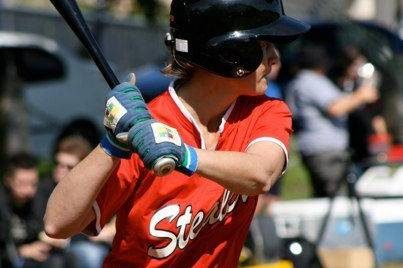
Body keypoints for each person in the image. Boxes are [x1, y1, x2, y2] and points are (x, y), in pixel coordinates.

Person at [44, 0, 310, 267]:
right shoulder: (145, 129)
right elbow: (57, 224)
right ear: (231, 53)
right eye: (263, 46)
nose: (274, 59)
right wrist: (111, 145)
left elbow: (261, 175)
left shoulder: (266, 111)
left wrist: (182, 154)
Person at [286, 45, 379, 197]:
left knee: (325, 197)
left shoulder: (298, 82)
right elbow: (335, 108)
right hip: (326, 152)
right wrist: (361, 95)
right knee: (337, 200)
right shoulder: (311, 81)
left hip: (317, 151)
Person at [35, 119, 114, 268]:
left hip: (93, 246)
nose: (61, 169)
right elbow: (42, 229)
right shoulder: (44, 188)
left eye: (69, 166)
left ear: (81, 169)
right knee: (90, 255)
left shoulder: (96, 188)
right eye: (58, 164)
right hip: (60, 251)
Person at [0, 152, 64, 268]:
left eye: (33, 184)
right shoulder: (2, 204)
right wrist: (20, 251)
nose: (29, 190)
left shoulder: (41, 199)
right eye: (22, 184)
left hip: (40, 257)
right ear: (8, 180)